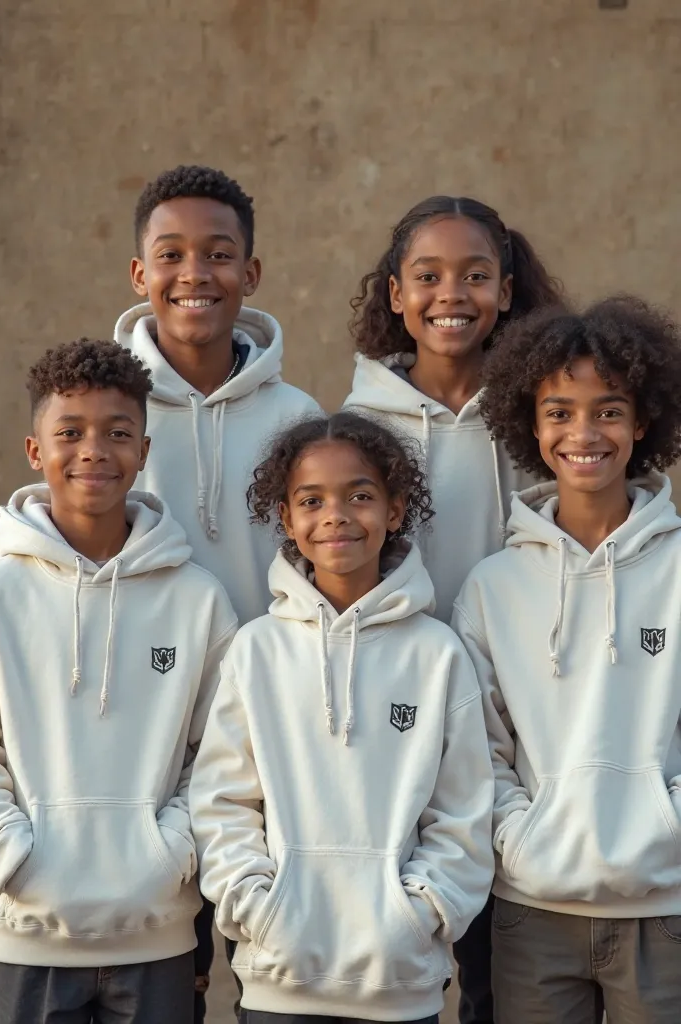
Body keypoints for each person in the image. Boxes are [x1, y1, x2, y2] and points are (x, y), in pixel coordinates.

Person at [189, 411, 495, 1024]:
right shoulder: (256, 650)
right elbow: (223, 802)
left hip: (400, 983)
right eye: (312, 500)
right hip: (280, 980)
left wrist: (420, 914)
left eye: (360, 495)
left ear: (396, 510)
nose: (336, 515)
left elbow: (463, 811)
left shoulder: (436, 654)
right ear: (287, 519)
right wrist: (257, 908)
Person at [343, 195, 563, 1024]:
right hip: (399, 724)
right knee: (399, 964)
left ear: (507, 291)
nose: (452, 294)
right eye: (428, 276)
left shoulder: (545, 419)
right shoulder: (357, 425)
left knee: (502, 980)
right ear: (395, 294)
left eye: (476, 275)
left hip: (523, 728)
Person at [114, 164, 320, 1018]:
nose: (194, 273)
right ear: (139, 275)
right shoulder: (107, 411)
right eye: (171, 254)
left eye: (219, 254)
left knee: (272, 969)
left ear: (252, 274)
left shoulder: (299, 415)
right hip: (140, 744)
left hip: (269, 747)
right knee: (168, 980)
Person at [0, 339, 237, 1024]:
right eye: (70, 433)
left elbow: (223, 754)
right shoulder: (0, 593)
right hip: (23, 934)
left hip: (156, 929)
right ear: (35, 451)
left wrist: (169, 854)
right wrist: (13, 857)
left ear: (145, 450)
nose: (94, 450)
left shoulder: (197, 600)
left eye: (117, 433)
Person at [452, 297, 681, 1024]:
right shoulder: (494, 585)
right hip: (533, 910)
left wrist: (668, 826)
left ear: (642, 423)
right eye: (560, 412)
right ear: (532, 424)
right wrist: (523, 839)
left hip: (667, 905)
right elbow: (476, 746)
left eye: (608, 411)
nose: (584, 433)